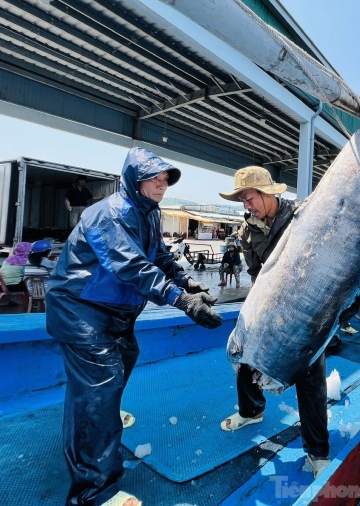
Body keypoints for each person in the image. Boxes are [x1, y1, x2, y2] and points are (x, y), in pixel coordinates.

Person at [46, 147, 223, 506]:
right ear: (133, 180)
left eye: (165, 180)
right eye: (154, 179)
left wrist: (184, 281)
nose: (161, 186)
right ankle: (93, 493)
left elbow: (157, 255)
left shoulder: (150, 213)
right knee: (101, 383)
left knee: (122, 362)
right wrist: (180, 300)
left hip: (115, 311)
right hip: (81, 309)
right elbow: (130, 266)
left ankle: (92, 427)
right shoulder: (109, 214)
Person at [218, 165, 331, 478]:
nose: (246, 205)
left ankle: (317, 451)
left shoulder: (301, 218)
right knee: (245, 363)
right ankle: (251, 411)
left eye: (249, 198)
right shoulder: (246, 232)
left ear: (268, 194)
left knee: (310, 379)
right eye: (242, 201)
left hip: (305, 311)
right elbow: (257, 276)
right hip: (268, 310)